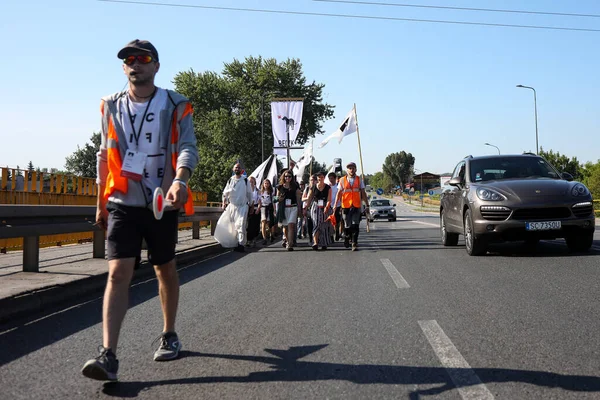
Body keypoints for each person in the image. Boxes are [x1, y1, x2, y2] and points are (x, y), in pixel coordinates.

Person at [82, 39, 198, 382]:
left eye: (143, 59)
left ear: (156, 66)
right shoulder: (110, 106)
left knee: (164, 268)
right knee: (118, 273)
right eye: (129, 60)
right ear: (123, 68)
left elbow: (188, 147)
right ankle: (109, 355)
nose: (136, 64)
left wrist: (181, 180)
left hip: (161, 201)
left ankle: (169, 333)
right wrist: (101, 204)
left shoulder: (176, 104)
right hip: (122, 202)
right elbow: (104, 155)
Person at [333, 162, 369, 251]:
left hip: (356, 205)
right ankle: (346, 237)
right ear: (347, 170)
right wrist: (335, 204)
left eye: (353, 168)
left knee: (355, 225)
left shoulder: (359, 179)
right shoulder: (342, 180)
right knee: (347, 225)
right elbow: (339, 193)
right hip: (346, 206)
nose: (351, 170)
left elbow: (363, 193)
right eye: (350, 168)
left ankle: (354, 243)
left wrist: (367, 204)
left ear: (355, 169)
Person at [221, 163, 253, 252]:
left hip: (243, 206)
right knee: (234, 226)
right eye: (236, 167)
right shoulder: (230, 180)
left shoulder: (245, 180)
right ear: (233, 169)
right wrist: (224, 203)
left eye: (239, 167)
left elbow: (249, 193)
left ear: (241, 170)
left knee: (241, 224)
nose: (237, 169)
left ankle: (241, 244)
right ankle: (237, 242)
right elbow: (225, 193)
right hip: (232, 206)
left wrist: (251, 205)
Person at [304, 172, 334, 250]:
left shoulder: (328, 188)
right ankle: (316, 242)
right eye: (318, 177)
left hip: (325, 206)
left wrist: (327, 206)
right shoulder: (313, 187)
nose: (320, 179)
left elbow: (329, 199)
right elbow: (309, 198)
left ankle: (324, 243)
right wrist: (306, 207)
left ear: (324, 178)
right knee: (316, 224)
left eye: (322, 177)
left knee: (324, 225)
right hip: (316, 206)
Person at [276, 169, 301, 251]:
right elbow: (276, 198)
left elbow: (298, 198)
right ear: (284, 177)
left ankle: (290, 244)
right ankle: (287, 241)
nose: (287, 178)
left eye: (289, 176)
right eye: (286, 176)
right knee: (285, 227)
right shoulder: (280, 187)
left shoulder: (295, 186)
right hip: (284, 208)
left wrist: (299, 209)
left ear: (291, 177)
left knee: (291, 225)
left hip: (293, 207)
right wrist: (279, 199)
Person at [257, 179, 275, 244]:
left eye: (267, 183)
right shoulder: (260, 192)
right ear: (263, 184)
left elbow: (273, 201)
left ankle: (271, 234)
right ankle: (264, 238)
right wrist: (259, 207)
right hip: (263, 208)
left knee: (270, 223)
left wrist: (274, 210)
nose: (266, 185)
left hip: (269, 207)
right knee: (263, 222)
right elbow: (259, 200)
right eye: (265, 183)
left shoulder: (271, 192)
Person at [246, 176, 260, 247]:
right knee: (249, 225)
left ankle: (254, 238)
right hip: (247, 208)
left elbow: (260, 201)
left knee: (255, 225)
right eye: (249, 181)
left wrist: (258, 209)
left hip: (255, 208)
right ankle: (248, 240)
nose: (251, 183)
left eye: (252, 181)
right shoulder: (246, 190)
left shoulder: (257, 190)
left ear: (254, 182)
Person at [327, 172, 342, 241]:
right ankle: (331, 235)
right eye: (329, 178)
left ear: (335, 178)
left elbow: (340, 196)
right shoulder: (327, 187)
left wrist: (341, 205)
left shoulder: (338, 187)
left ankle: (337, 232)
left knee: (336, 221)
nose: (331, 180)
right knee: (330, 221)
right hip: (329, 206)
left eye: (332, 178)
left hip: (337, 206)